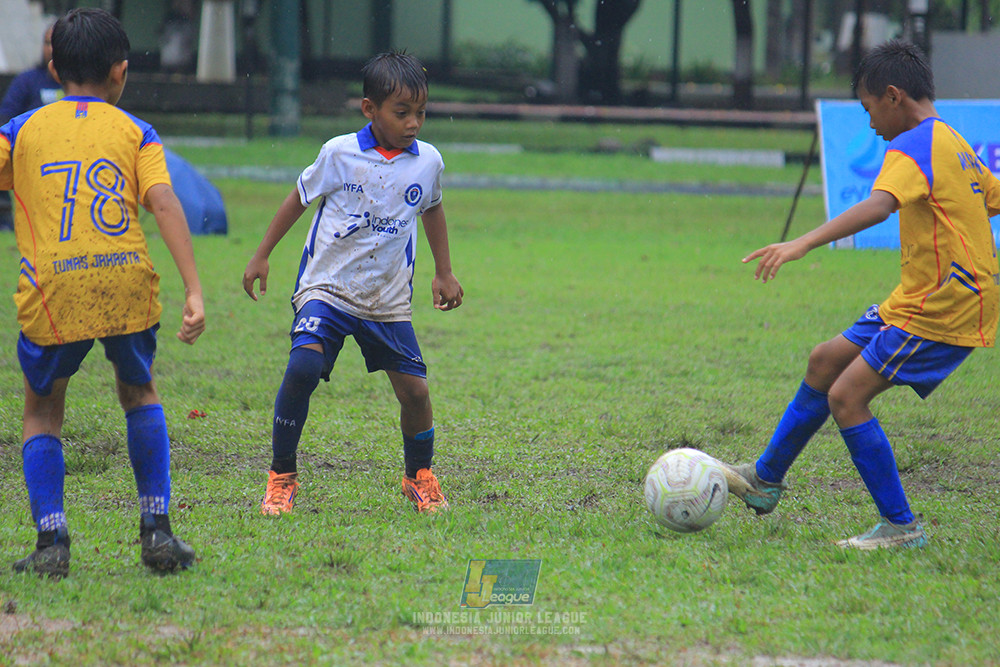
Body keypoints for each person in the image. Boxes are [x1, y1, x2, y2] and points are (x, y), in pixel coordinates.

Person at [724, 40, 1000, 550]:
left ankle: (901, 526)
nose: (870, 123)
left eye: (869, 108)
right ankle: (764, 481)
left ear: (893, 96)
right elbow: (992, 196)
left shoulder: (914, 144)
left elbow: (878, 207)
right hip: (921, 296)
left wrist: (802, 242)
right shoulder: (953, 142)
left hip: (942, 305)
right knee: (825, 360)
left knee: (846, 397)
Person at [1, 8, 206, 577]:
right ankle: (157, 530)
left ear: (52, 66)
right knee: (140, 393)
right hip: (124, 280)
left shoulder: (21, 129)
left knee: (42, 412)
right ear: (120, 72)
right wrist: (193, 289)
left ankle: (51, 543)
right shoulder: (135, 131)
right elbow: (163, 202)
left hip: (53, 287)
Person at [243, 52, 463, 515]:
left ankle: (419, 475)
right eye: (401, 113)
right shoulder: (339, 153)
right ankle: (281, 475)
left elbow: (434, 208)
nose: (413, 124)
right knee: (303, 367)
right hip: (328, 287)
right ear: (370, 109)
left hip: (386, 299)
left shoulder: (428, 163)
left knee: (416, 392)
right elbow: (299, 198)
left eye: (420, 113)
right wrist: (262, 253)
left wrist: (443, 271)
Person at [0, 23, 62, 230]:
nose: (51, 49)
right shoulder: (27, 81)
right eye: (47, 43)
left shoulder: (79, 86)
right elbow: (6, 117)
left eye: (56, 43)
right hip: (29, 154)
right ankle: (6, 220)